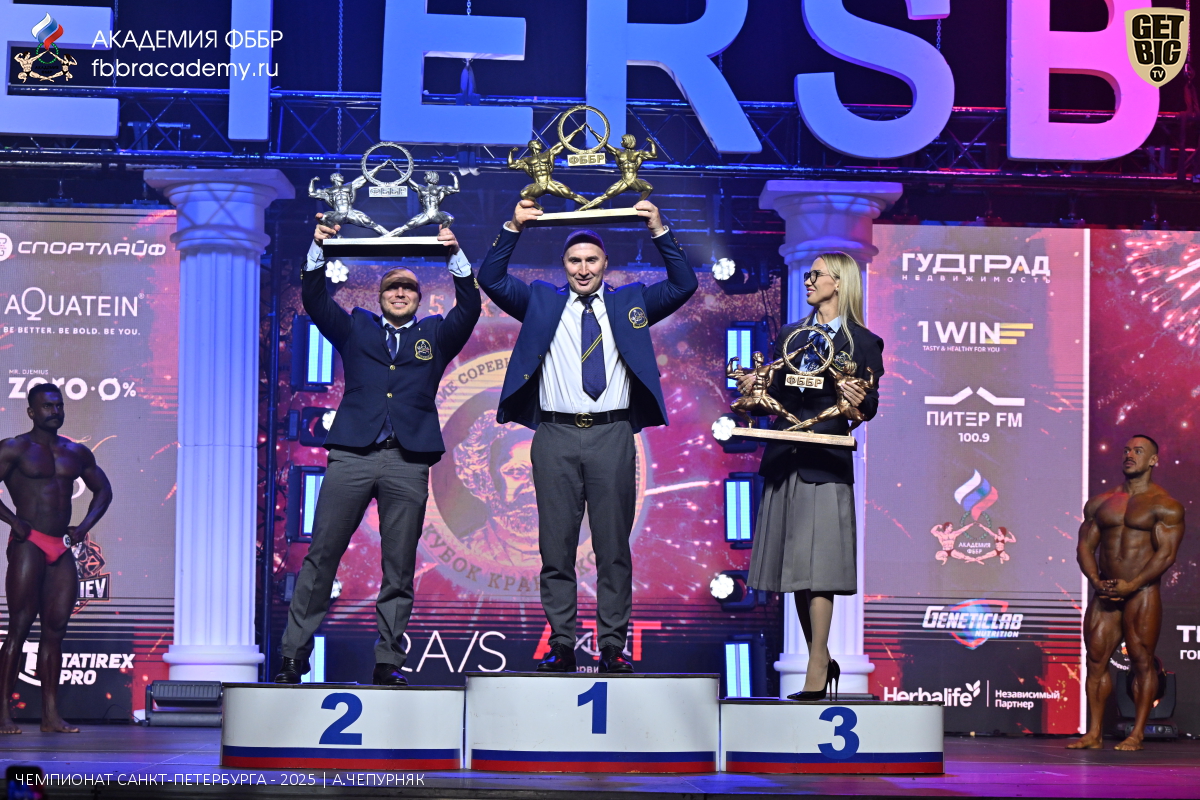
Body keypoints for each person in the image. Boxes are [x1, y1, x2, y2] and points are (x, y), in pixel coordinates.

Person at [477, 198, 697, 673]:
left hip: (611, 434)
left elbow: (684, 284)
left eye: (591, 260)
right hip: (554, 435)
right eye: (574, 260)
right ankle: (561, 644)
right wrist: (513, 226)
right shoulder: (541, 300)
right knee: (555, 549)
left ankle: (612, 646)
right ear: (564, 264)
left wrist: (659, 229)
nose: (583, 269)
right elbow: (491, 278)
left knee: (613, 548)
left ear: (605, 263)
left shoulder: (630, 302)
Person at [274, 215, 481, 685]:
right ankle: (292, 656)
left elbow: (469, 307)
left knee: (399, 566)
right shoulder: (356, 329)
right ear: (380, 296)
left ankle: (388, 661)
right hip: (352, 456)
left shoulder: (435, 335)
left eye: (408, 288)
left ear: (419, 298)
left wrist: (455, 255)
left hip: (407, 462)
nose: (400, 293)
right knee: (321, 556)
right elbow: (314, 298)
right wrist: (318, 248)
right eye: (392, 288)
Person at [742, 252, 884, 701]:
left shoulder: (863, 342)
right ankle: (818, 656)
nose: (807, 281)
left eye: (815, 275)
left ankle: (819, 661)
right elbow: (771, 395)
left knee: (820, 568)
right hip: (786, 458)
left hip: (825, 461)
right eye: (807, 275)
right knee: (797, 571)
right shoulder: (791, 336)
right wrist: (753, 391)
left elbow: (867, 409)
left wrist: (856, 400)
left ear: (838, 282)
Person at [0, 384, 112, 733]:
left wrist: (83, 527)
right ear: (31, 412)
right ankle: (2, 713)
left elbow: (104, 490)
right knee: (19, 626)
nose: (55, 411)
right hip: (29, 541)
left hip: (60, 545)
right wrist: (13, 521)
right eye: (47, 406)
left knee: (55, 630)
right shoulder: (14, 448)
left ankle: (50, 716)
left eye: (59, 405)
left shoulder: (75, 452)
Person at [1068, 435, 1184, 751]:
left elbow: (1166, 555)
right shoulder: (1101, 503)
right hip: (1105, 590)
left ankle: (1137, 733)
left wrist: (1133, 584)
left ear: (1153, 460)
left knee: (1142, 661)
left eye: (1138, 451)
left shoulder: (1165, 505)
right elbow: (1084, 547)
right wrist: (1095, 580)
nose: (1130, 454)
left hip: (1142, 591)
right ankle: (1093, 733)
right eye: (1127, 450)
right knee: (1095, 659)